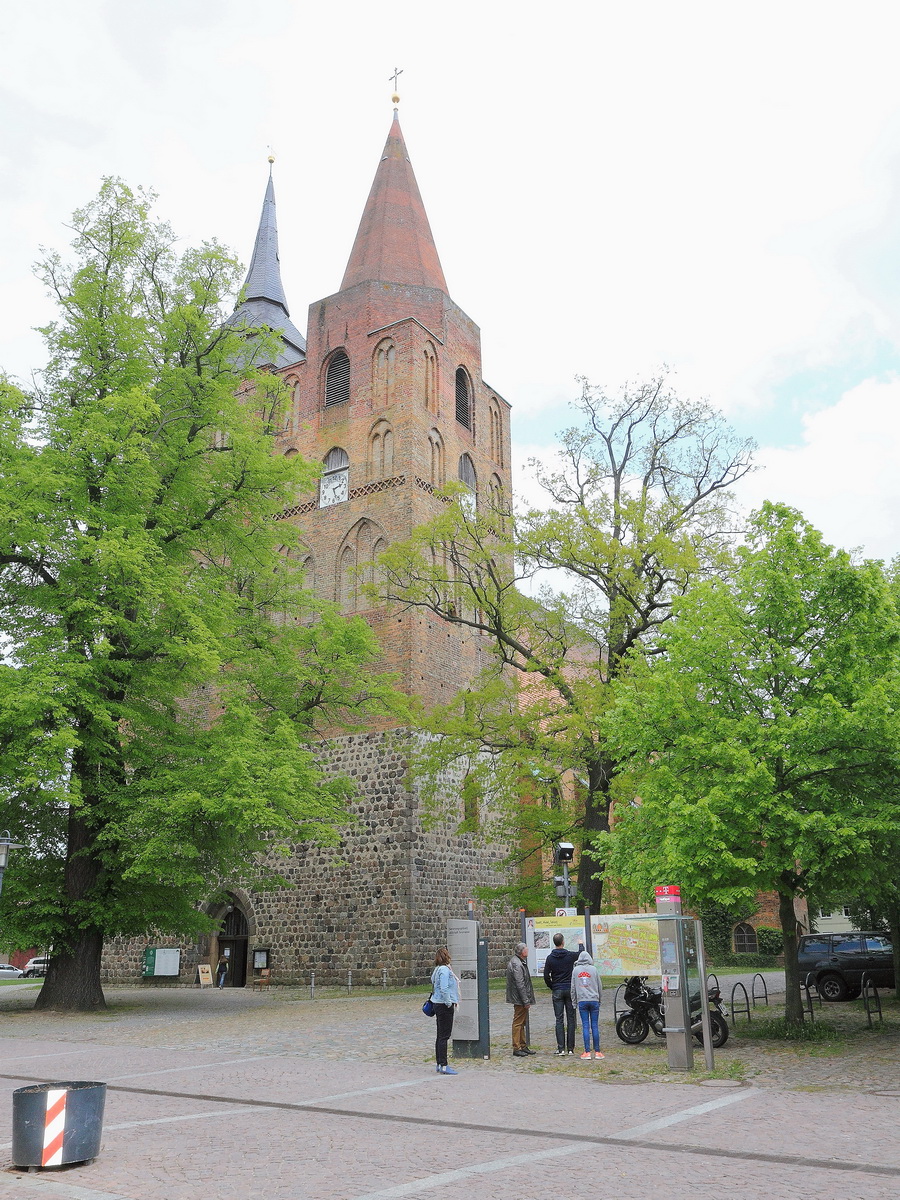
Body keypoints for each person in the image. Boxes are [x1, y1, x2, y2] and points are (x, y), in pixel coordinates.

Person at [542, 933, 583, 1055]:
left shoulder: (550, 958)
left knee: (559, 1019)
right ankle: (570, 1048)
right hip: (569, 989)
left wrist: (552, 986)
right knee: (571, 1019)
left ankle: (561, 1048)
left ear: (555, 943)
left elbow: (546, 976)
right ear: (563, 942)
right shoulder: (569, 955)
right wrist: (581, 944)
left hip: (557, 989)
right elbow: (581, 954)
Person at [430, 947, 460, 1075]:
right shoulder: (444, 970)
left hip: (437, 1004)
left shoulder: (437, 970)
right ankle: (443, 1064)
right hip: (444, 1005)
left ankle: (439, 1063)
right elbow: (444, 988)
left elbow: (433, 982)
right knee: (444, 1036)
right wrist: (449, 1002)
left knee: (440, 1035)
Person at [571, 949, 603, 1059]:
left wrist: (574, 1002)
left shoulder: (575, 970)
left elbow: (573, 987)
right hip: (594, 1000)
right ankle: (598, 1052)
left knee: (585, 1025)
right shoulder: (594, 970)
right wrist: (599, 999)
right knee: (595, 1025)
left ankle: (587, 1052)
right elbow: (599, 985)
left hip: (582, 1000)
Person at [506, 941, 536, 1056]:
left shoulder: (518, 962)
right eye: (526, 949)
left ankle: (522, 1045)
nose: (528, 950)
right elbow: (520, 983)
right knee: (518, 1022)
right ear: (522, 951)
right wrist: (525, 1000)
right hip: (519, 999)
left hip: (520, 998)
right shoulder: (517, 964)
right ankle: (517, 1047)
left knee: (522, 1022)